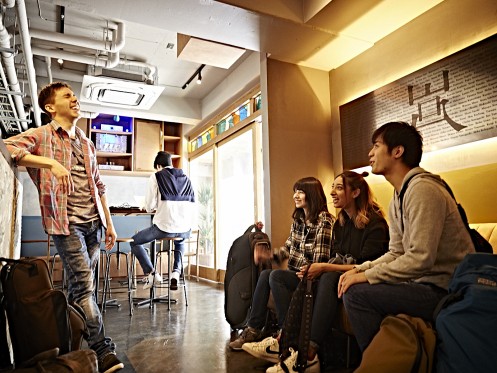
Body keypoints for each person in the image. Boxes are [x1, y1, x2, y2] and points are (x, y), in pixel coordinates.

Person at [4, 82, 124, 373]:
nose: (74, 99)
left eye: (74, 95)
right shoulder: (42, 135)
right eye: (67, 96)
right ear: (50, 108)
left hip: (94, 224)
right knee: (84, 286)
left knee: (77, 288)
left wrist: (109, 223)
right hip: (65, 224)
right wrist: (50, 164)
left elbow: (98, 184)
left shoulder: (85, 140)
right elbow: (9, 147)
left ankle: (70, 343)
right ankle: (102, 350)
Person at [338, 121, 475, 353]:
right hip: (422, 284)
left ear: (397, 151)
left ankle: (382, 365)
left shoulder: (423, 189)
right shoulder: (398, 196)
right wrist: (361, 270)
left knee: (357, 294)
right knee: (352, 284)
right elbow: (397, 252)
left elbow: (421, 258)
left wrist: (368, 276)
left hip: (446, 290)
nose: (370, 153)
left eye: (376, 145)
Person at [244, 171, 389, 373]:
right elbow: (296, 250)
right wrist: (268, 256)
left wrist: (320, 268)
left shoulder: (354, 222)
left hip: (360, 277)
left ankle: (304, 351)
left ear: (355, 192)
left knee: (324, 277)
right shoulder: (340, 222)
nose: (332, 193)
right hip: (322, 274)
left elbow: (365, 264)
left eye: (339, 187)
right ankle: (275, 336)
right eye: (333, 188)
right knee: (271, 274)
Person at [229, 177, 334, 351]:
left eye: (300, 192)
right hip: (295, 275)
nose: (295, 196)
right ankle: (253, 329)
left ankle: (286, 332)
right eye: (295, 191)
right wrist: (267, 256)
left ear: (312, 194)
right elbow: (286, 250)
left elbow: (319, 260)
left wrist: (303, 269)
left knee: (276, 276)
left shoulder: (324, 220)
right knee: (265, 274)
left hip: (311, 277)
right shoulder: (298, 221)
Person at [130, 151, 195, 290]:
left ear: (158, 166)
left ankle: (152, 273)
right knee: (180, 239)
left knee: (134, 241)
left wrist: (151, 205)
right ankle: (176, 273)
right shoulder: (186, 178)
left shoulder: (156, 176)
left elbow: (149, 207)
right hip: (185, 228)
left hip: (163, 228)